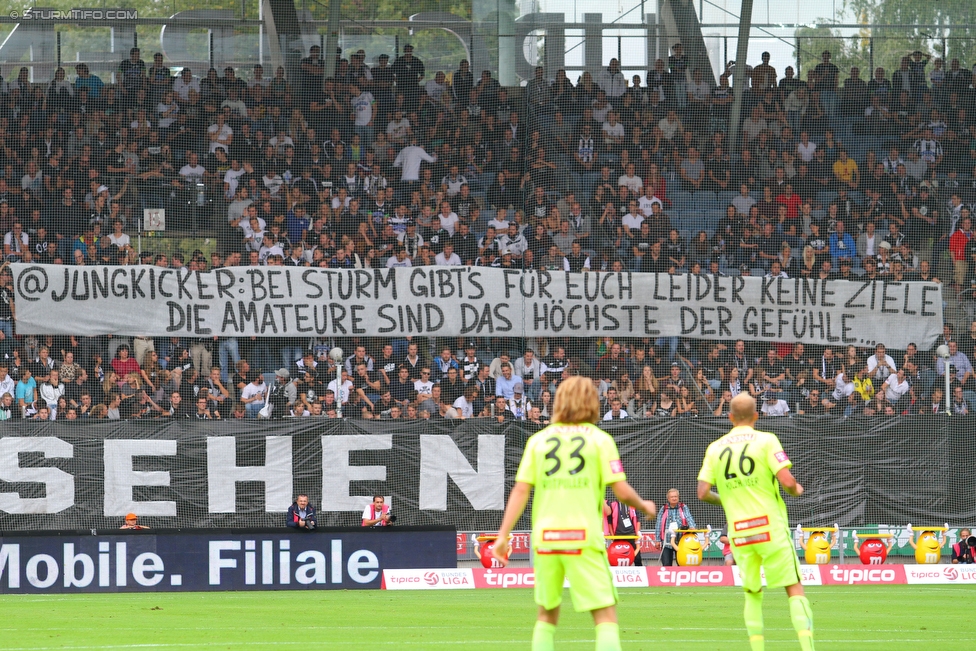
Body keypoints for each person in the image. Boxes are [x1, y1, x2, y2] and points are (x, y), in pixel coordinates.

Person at [491, 376, 657, 651]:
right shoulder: (600, 440)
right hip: (583, 538)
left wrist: (503, 535)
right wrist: (644, 505)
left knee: (546, 614)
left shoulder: (538, 441)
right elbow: (621, 491)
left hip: (546, 539)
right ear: (591, 402)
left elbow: (520, 491)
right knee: (605, 614)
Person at [697, 393, 813, 651]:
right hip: (769, 526)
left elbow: (702, 492)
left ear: (729, 417)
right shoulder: (766, 440)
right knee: (794, 588)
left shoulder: (715, 448)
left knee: (752, 593)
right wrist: (796, 490)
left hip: (739, 532)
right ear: (756, 416)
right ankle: (807, 647)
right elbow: (787, 481)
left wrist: (726, 500)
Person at [655, 488, 696, 565]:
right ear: (668, 498)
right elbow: (658, 524)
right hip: (667, 542)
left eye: (675, 496)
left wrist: (692, 527)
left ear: (678, 497)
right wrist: (657, 539)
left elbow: (689, 517)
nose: (674, 498)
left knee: (682, 564)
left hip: (681, 542)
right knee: (666, 564)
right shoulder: (664, 509)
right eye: (672, 497)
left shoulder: (683, 507)